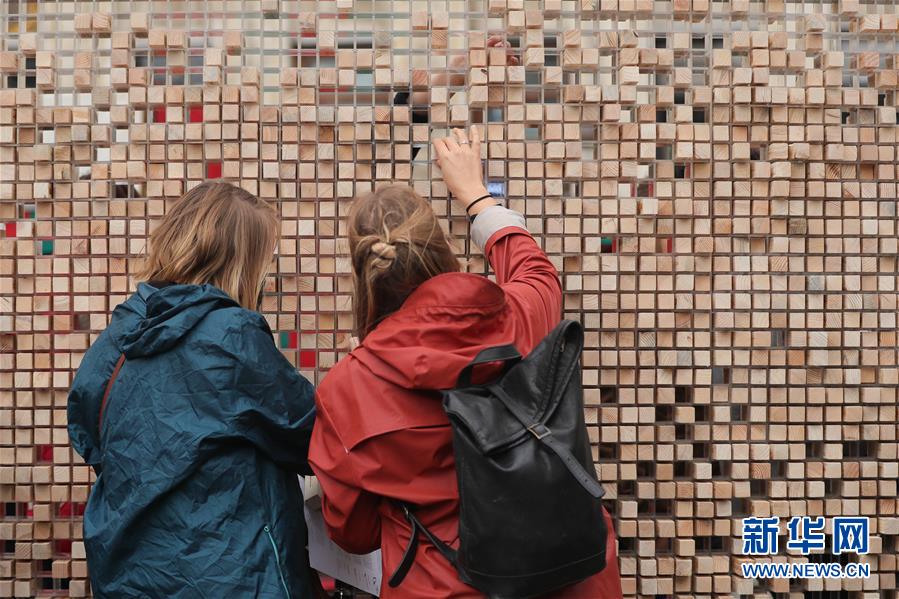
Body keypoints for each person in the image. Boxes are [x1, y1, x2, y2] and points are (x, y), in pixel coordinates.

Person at [308, 128, 624, 598]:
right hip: (572, 578)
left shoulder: (347, 388)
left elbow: (354, 533)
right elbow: (536, 272)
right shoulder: (518, 317)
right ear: (439, 247)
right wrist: (476, 195)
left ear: (361, 272)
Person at [67, 182, 318, 598]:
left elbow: (90, 438)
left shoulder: (115, 341)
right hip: (233, 578)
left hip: (127, 577)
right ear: (240, 261)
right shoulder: (231, 336)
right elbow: (312, 435)